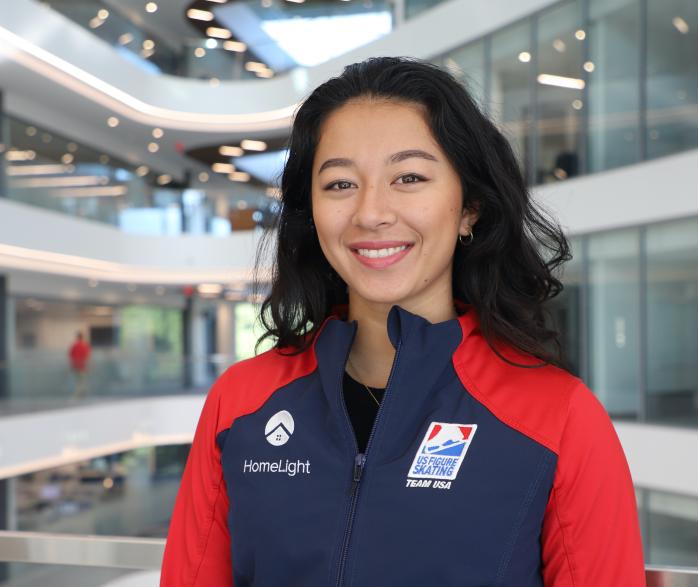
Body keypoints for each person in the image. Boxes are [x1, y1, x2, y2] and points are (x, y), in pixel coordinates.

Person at [161, 57, 645, 586]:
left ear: (469, 208)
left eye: (409, 177)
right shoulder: (241, 404)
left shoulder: (559, 418)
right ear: (312, 213)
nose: (371, 213)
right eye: (341, 184)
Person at [68, 332, 91, 399]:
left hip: (76, 366)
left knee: (79, 381)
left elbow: (71, 356)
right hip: (82, 366)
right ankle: (79, 395)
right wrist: (88, 365)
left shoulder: (74, 346)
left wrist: (71, 365)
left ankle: (81, 394)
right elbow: (87, 356)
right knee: (82, 381)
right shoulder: (84, 345)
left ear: (77, 337)